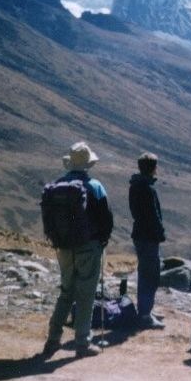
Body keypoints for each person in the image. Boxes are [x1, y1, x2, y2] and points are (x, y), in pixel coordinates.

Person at [41, 142, 114, 359]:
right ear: (88, 164)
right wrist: (102, 240)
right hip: (88, 247)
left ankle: (53, 339)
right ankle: (82, 343)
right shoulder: (95, 186)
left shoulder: (58, 184)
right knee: (86, 295)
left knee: (66, 292)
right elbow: (106, 219)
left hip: (64, 248)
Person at [128, 151, 166, 329]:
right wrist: (160, 233)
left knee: (145, 272)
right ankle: (145, 315)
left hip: (140, 234)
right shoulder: (148, 189)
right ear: (153, 168)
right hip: (149, 236)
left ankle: (145, 310)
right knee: (150, 275)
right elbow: (153, 216)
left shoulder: (135, 185)